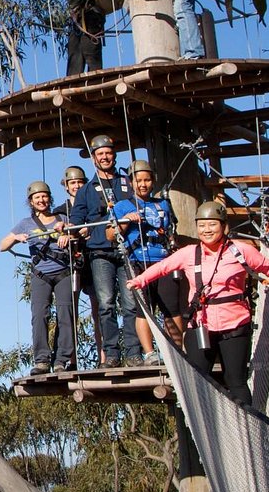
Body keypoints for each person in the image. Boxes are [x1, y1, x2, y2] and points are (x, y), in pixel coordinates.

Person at [128, 201, 269, 406]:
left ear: (223, 226)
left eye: (212, 224)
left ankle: (248, 426)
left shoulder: (240, 250)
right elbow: (162, 267)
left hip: (235, 323)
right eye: (202, 225)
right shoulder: (190, 253)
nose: (207, 230)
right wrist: (139, 281)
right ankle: (207, 427)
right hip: (201, 324)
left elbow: (268, 267)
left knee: (235, 380)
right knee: (199, 380)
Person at [70, 135, 144, 366]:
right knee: (106, 304)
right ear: (94, 158)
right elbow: (77, 220)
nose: (105, 157)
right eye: (100, 154)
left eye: (108, 153)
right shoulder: (86, 191)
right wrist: (77, 230)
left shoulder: (127, 183)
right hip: (100, 252)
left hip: (128, 250)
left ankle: (134, 353)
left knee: (132, 304)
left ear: (114, 155)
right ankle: (111, 354)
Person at [0, 181, 77, 375]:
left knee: (65, 315)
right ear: (31, 201)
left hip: (63, 272)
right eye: (37, 197)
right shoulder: (26, 224)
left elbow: (78, 234)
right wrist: (16, 238)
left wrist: (67, 234)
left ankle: (61, 360)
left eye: (44, 196)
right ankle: (42, 360)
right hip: (41, 274)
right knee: (39, 316)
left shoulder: (62, 218)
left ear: (49, 198)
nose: (41, 200)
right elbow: (2, 245)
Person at [111, 159, 183, 364]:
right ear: (131, 183)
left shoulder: (163, 204)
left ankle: (177, 349)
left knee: (171, 306)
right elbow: (111, 235)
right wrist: (126, 220)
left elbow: (170, 230)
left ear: (153, 181)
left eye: (147, 180)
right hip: (138, 260)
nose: (143, 184)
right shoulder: (123, 206)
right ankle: (150, 352)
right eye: (138, 180)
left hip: (163, 260)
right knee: (144, 308)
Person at [54, 165, 104, 366]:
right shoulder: (59, 212)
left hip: (93, 258)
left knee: (99, 309)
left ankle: (104, 357)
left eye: (79, 182)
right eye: (72, 183)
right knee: (69, 311)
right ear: (66, 186)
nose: (76, 186)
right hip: (71, 262)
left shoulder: (96, 207)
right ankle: (70, 359)